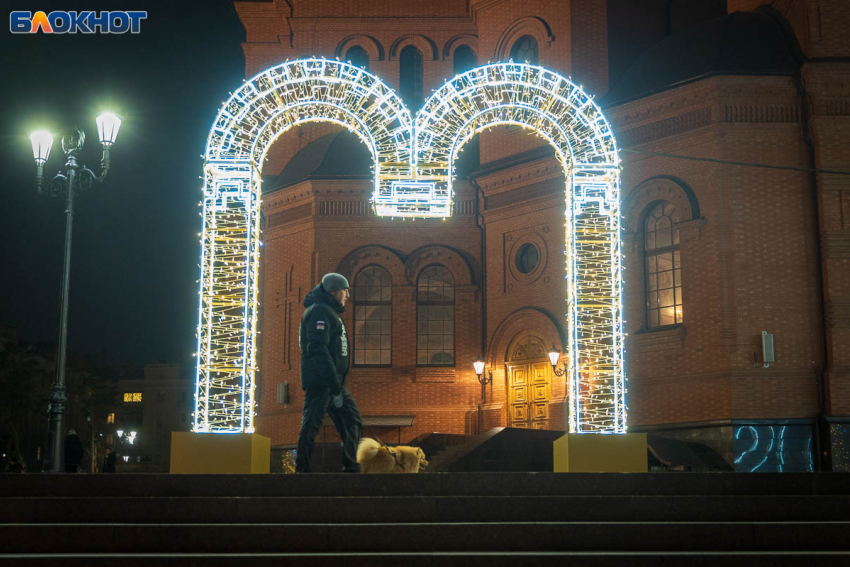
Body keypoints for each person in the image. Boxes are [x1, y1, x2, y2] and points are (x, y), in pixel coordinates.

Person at [295, 272, 362, 473]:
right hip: (322, 381)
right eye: (345, 290)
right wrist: (332, 382)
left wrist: (337, 384)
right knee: (312, 424)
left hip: (336, 383)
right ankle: (302, 469)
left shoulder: (331, 313)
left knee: (352, 420)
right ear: (333, 291)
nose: (347, 295)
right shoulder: (319, 312)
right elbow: (317, 348)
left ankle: (351, 466)